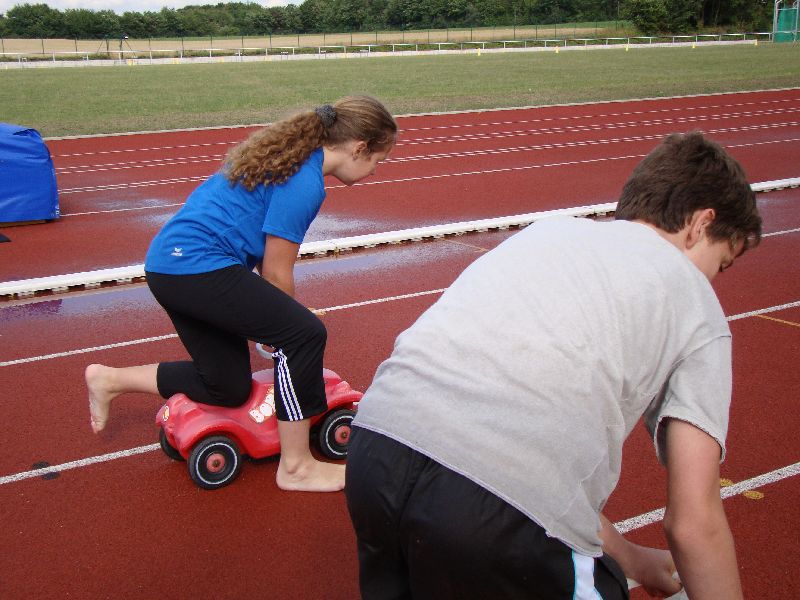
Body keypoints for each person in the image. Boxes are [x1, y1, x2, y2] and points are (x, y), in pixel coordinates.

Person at [345, 131, 761, 598]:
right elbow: (693, 523)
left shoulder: (548, 232)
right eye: (721, 264)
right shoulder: (696, 304)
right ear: (701, 225)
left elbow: (526, 445)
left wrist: (630, 559)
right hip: (495, 513)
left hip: (376, 450)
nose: (713, 280)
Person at [86, 95, 397, 493]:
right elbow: (276, 272)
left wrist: (276, 315)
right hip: (196, 267)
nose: (375, 170)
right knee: (303, 335)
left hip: (169, 266)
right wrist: (282, 326)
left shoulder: (287, 158)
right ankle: (297, 467)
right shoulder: (305, 182)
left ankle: (110, 379)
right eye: (378, 160)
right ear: (359, 148)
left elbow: (262, 260)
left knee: (227, 386)